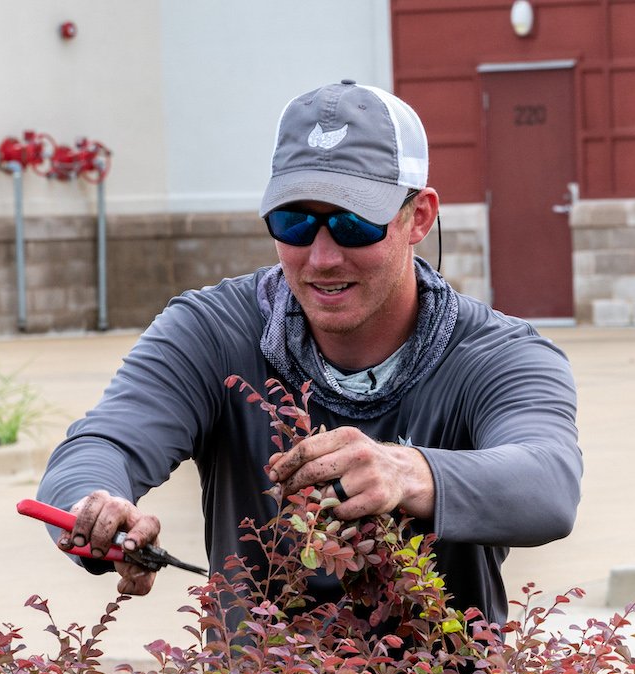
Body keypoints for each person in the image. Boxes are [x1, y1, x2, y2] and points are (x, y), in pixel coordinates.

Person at [36, 79, 582, 628]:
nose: (321, 258)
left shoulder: (500, 355)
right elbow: (102, 443)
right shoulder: (207, 332)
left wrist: (410, 472)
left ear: (418, 217)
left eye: (353, 223)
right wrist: (94, 508)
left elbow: (548, 484)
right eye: (294, 222)